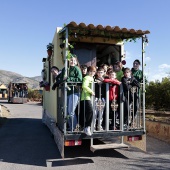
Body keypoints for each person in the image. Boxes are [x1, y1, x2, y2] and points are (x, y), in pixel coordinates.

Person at [58, 54, 82, 131]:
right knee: (67, 112)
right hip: (67, 92)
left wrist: (68, 78)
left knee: (71, 111)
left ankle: (74, 127)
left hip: (74, 92)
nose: (72, 61)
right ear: (68, 60)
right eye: (71, 60)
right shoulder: (65, 69)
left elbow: (79, 79)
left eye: (74, 60)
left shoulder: (76, 69)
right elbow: (62, 79)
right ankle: (71, 127)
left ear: (76, 62)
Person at [80, 66, 96, 136]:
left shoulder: (92, 78)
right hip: (86, 97)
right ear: (88, 72)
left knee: (86, 112)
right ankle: (87, 127)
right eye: (91, 71)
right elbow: (84, 86)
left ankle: (84, 127)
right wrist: (91, 91)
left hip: (88, 98)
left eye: (94, 71)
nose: (92, 73)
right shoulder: (86, 78)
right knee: (90, 111)